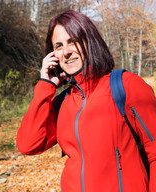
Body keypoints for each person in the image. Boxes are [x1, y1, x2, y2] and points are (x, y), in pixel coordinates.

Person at [16, 10, 156, 192]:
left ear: (89, 41)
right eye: (58, 46)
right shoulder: (62, 103)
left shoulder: (125, 85)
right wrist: (45, 86)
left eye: (72, 41)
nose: (66, 52)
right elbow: (28, 145)